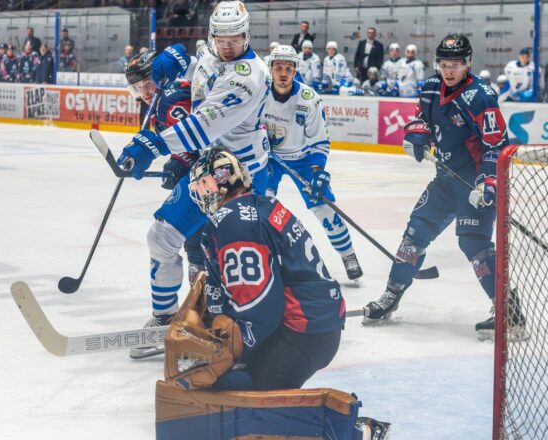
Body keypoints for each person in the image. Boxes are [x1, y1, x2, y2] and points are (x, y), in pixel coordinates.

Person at [116, 1, 271, 358]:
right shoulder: (212, 52)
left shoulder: (248, 76)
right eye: (222, 39)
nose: (228, 46)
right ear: (212, 35)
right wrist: (173, 61)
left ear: (247, 35)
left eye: (236, 39)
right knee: (161, 236)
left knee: (230, 255)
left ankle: (240, 323)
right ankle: (164, 318)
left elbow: (204, 125)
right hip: (209, 166)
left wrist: (155, 144)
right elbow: (194, 66)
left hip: (237, 173)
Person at [362, 34, 526, 342]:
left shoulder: (481, 96)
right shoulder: (430, 88)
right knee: (413, 236)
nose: (448, 71)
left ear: (468, 64)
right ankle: (392, 295)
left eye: (455, 65)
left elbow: (497, 146)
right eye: (443, 64)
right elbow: (422, 119)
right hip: (445, 181)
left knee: (473, 243)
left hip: (474, 182)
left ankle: (509, 310)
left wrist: (489, 183)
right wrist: (418, 137)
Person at [167, 148, 344, 391]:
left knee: (219, 387)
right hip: (316, 324)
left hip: (300, 333)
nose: (201, 193)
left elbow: (259, 309)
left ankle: (347, 426)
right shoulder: (262, 204)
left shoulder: (232, 222)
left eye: (204, 184)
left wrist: (222, 345)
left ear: (221, 182)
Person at [263, 45, 364, 284]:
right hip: (271, 159)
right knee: (260, 205)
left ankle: (348, 255)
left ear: (296, 69)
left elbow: (319, 141)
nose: (284, 73)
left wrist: (318, 173)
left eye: (289, 68)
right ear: (270, 69)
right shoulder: (259, 94)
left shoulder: (309, 99)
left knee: (324, 209)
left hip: (303, 160)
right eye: (279, 68)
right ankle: (265, 256)